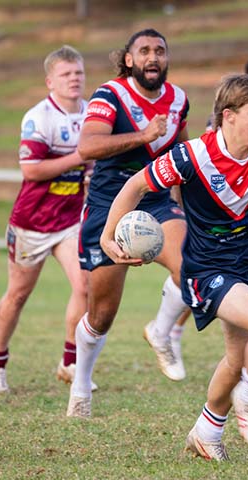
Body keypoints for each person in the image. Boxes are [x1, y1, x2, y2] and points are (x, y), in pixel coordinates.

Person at [100, 74, 248, 460]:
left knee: (238, 358)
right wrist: (108, 236)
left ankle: (206, 434)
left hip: (246, 265)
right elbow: (136, 186)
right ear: (229, 116)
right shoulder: (192, 155)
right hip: (206, 270)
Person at [66, 28, 190, 418]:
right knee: (101, 315)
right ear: (129, 59)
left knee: (192, 266)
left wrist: (188, 203)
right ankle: (81, 384)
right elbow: (88, 146)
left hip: (156, 201)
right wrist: (143, 135)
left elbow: (182, 152)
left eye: (160, 50)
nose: (154, 57)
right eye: (145, 50)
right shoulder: (110, 95)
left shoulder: (178, 100)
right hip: (109, 207)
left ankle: (161, 331)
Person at [169, 58, 248, 361]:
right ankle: (174, 326)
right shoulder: (222, 126)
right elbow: (206, 165)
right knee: (200, 267)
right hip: (225, 209)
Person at [0, 45, 96, 393]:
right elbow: (31, 170)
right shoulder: (39, 117)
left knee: (85, 286)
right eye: (66, 74)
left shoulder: (93, 113)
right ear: (50, 81)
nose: (74, 79)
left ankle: (70, 362)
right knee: (18, 295)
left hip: (71, 220)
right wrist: (79, 157)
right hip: (31, 222)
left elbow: (94, 161)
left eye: (78, 72)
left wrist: (92, 170)